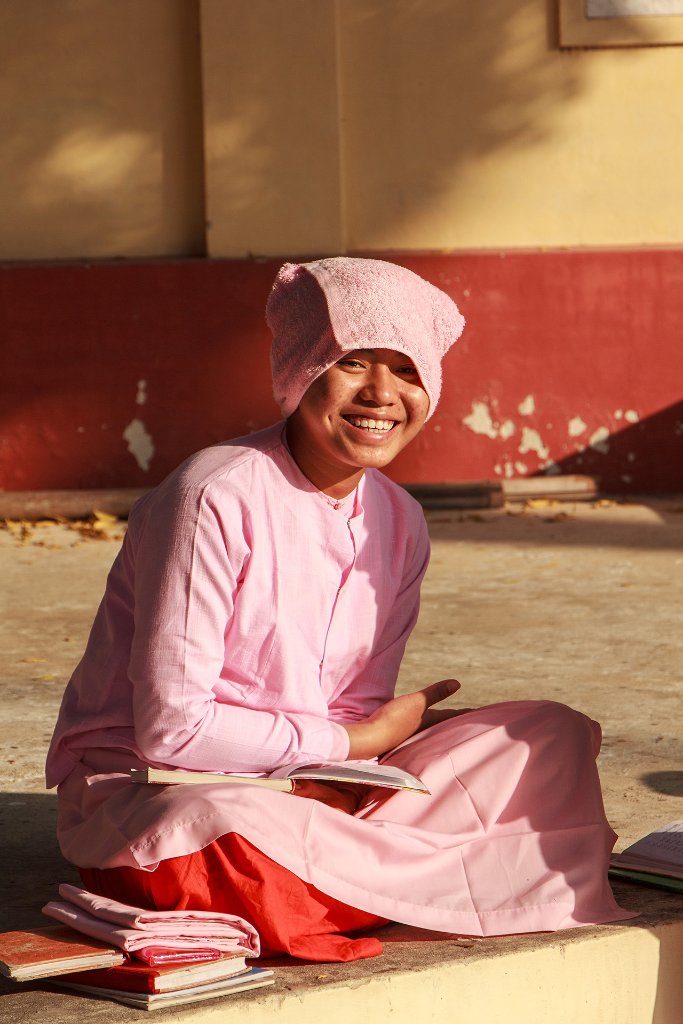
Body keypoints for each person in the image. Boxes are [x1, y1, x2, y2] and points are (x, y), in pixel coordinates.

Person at [46, 257, 633, 962]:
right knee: (222, 825)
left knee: (546, 736)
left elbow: (353, 711)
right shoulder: (213, 495)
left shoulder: (399, 519)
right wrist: (349, 748)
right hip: (164, 794)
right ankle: (438, 877)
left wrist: (378, 748)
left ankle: (373, 876)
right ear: (301, 369)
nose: (381, 394)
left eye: (407, 371)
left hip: (309, 789)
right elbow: (173, 731)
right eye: (354, 362)